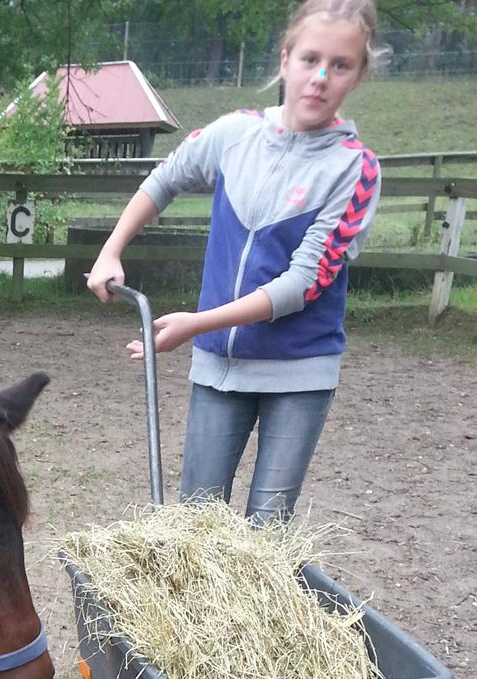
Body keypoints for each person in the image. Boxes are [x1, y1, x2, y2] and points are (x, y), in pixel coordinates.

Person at [87, 0, 383, 523]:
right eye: (310, 59)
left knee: (267, 533)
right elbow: (166, 177)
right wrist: (112, 248)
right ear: (285, 57)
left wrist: (194, 325)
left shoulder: (354, 170)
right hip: (218, 369)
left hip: (299, 373)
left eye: (340, 65)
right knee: (197, 524)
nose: (320, 78)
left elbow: (300, 285)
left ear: (358, 76)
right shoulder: (235, 134)